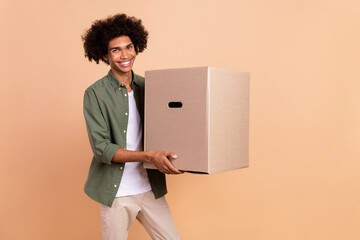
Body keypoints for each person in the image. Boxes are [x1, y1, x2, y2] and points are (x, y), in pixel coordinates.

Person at [81, 13, 182, 240]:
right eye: (116, 50)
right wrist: (150, 156)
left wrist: (179, 158)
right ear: (105, 55)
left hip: (149, 188)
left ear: (137, 47)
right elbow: (102, 148)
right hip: (116, 193)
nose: (125, 55)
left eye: (129, 47)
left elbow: (170, 129)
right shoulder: (95, 94)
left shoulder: (150, 87)